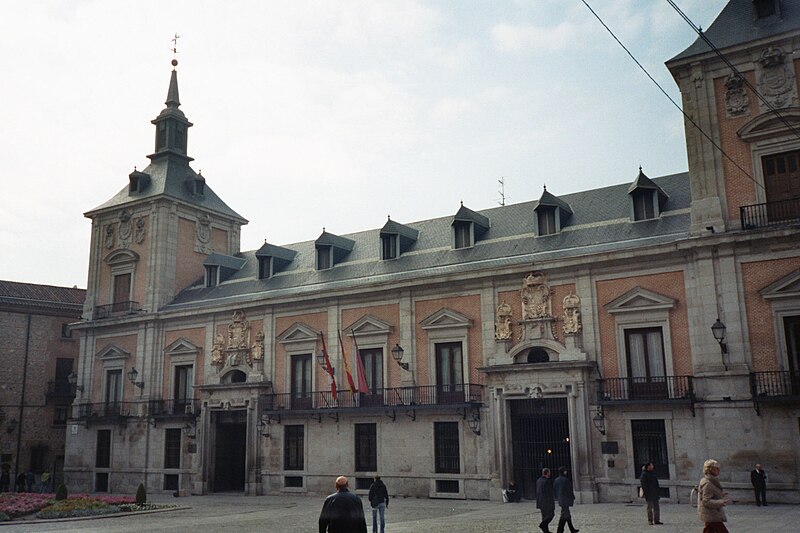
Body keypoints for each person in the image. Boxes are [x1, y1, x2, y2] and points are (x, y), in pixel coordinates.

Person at [698, 459, 731, 533]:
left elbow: (713, 493)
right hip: (712, 513)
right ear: (710, 469)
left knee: (709, 530)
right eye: (716, 468)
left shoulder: (712, 481)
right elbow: (706, 501)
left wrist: (722, 494)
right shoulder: (708, 483)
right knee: (722, 531)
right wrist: (721, 502)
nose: (719, 470)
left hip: (711, 513)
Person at [553, 466, 579, 533]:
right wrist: (572, 497)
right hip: (566, 499)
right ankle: (560, 530)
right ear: (563, 471)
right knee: (564, 515)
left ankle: (571, 529)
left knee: (567, 515)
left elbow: (554, 489)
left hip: (560, 499)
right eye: (565, 471)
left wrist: (557, 497)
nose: (566, 472)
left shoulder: (556, 480)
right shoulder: (565, 480)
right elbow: (569, 490)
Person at [535, 468, 556, 533]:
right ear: (547, 473)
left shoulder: (538, 480)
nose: (550, 473)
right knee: (551, 514)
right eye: (549, 472)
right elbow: (548, 493)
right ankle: (542, 525)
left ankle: (546, 531)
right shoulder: (547, 481)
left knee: (544, 516)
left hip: (540, 501)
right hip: (546, 502)